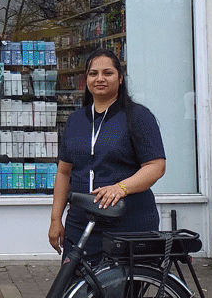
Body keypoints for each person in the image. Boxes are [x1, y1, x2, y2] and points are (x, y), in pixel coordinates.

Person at [48, 48, 166, 261]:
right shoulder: (75, 121)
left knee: (123, 292)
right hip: (81, 222)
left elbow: (156, 166)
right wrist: (56, 218)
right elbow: (64, 172)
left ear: (120, 78)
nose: (100, 78)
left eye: (108, 73)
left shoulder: (139, 117)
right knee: (75, 290)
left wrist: (120, 188)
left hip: (128, 220)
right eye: (93, 74)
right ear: (86, 80)